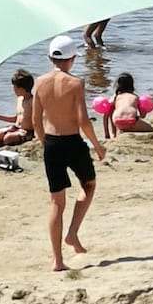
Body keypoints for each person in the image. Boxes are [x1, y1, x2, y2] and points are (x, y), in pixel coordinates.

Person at [32, 35, 106, 271]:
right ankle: (72, 232)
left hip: (52, 143)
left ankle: (57, 260)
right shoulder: (75, 84)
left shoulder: (40, 83)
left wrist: (46, 143)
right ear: (73, 59)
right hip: (73, 141)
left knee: (56, 203)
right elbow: (83, 120)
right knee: (89, 184)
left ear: (49, 58)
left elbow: (36, 122)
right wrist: (96, 145)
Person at [0, 68, 35, 147]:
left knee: (7, 138)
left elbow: (38, 121)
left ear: (21, 89)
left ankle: (10, 139)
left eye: (15, 88)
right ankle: (6, 137)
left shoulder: (32, 101)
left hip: (27, 132)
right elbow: (16, 119)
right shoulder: (19, 100)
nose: (13, 90)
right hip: (15, 128)